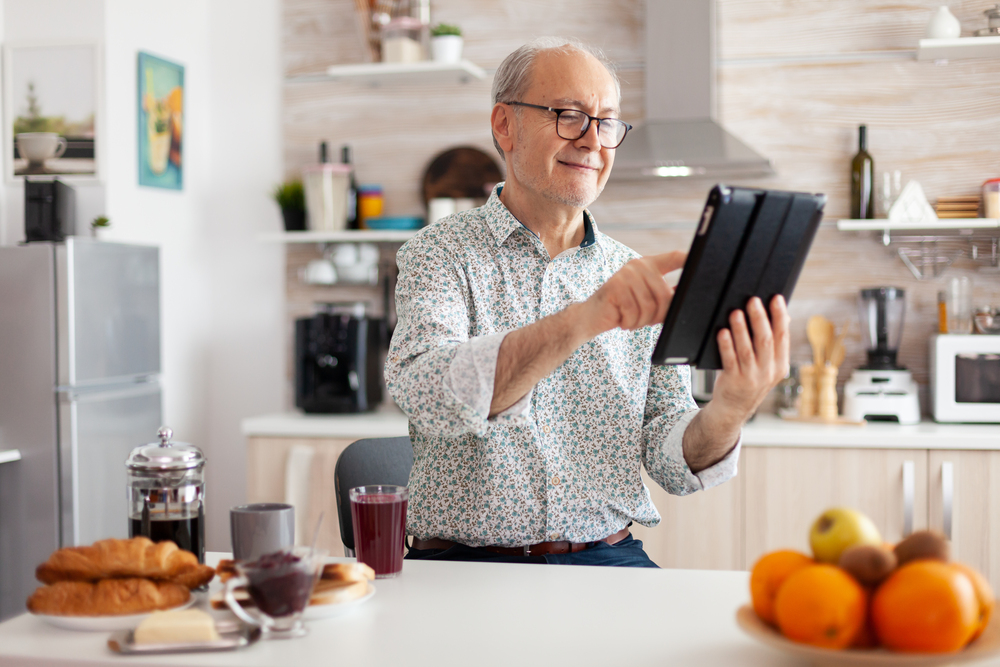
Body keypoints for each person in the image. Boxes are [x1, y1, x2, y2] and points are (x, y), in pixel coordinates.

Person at [384, 38, 789, 567]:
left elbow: (670, 456)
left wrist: (732, 408)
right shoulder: (438, 254)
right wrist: (585, 318)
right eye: (570, 116)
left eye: (607, 122)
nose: (593, 141)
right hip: (467, 564)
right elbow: (426, 392)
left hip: (609, 558)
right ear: (504, 125)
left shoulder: (631, 274)